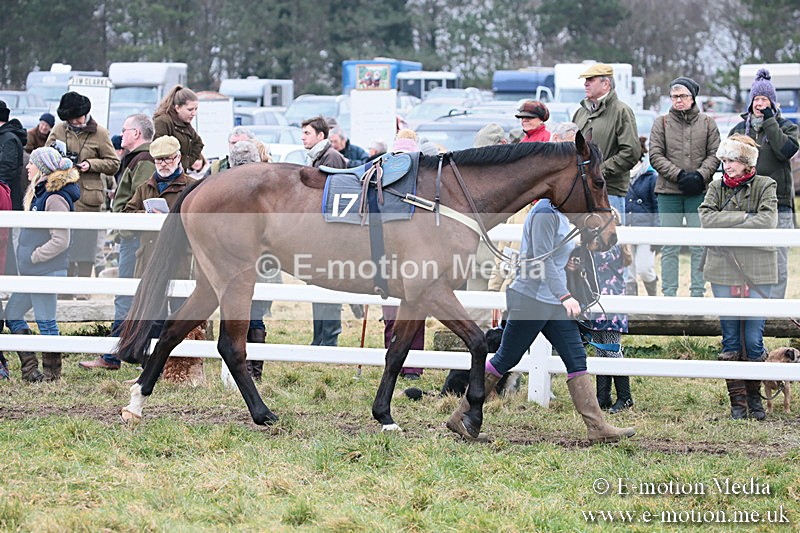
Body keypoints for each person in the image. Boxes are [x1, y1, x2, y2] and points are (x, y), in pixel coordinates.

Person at [448, 197, 635, 443]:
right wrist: (565, 295)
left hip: (552, 302)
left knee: (576, 358)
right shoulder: (544, 213)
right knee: (506, 358)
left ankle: (597, 427)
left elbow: (555, 256)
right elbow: (541, 261)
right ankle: (461, 415)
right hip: (531, 299)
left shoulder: (561, 214)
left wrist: (572, 260)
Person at [699, 134, 777, 421]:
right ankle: (738, 404)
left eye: (732, 160)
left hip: (758, 268)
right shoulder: (715, 186)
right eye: (724, 159)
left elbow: (768, 221)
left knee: (754, 338)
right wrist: (744, 216)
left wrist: (727, 223)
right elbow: (706, 219)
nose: (727, 165)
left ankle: (756, 400)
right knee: (730, 337)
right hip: (723, 266)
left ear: (746, 163)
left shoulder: (766, 185)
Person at [79, 113, 155, 370]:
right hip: (133, 234)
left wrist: (127, 230)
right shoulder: (138, 159)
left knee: (125, 295)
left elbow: (140, 196)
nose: (121, 134)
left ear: (136, 133)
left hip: (135, 237)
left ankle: (115, 355)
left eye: (124, 130)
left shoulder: (143, 160)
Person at [6, 147, 80, 381]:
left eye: (32, 163)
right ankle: (30, 368)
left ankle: (52, 373)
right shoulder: (39, 193)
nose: (27, 166)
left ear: (42, 168)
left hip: (46, 270)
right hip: (34, 271)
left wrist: (34, 256)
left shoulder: (54, 197)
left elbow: (61, 239)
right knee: (13, 313)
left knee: (46, 322)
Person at [728, 68, 799, 300]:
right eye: (756, 99)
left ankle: (774, 309)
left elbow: (784, 151)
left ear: (773, 102)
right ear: (750, 102)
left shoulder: (787, 127)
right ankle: (752, 307)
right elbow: (727, 163)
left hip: (779, 203)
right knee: (748, 258)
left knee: (778, 259)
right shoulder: (739, 130)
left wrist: (770, 121)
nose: (759, 104)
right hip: (746, 203)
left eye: (764, 99)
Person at [649, 76, 720, 297]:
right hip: (668, 192)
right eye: (674, 96)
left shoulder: (708, 123)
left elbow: (715, 154)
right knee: (669, 245)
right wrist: (678, 175)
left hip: (699, 192)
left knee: (699, 244)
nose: (678, 100)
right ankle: (669, 294)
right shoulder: (661, 123)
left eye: (682, 96)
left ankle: (697, 293)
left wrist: (700, 176)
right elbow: (655, 155)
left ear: (692, 97)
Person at [46, 91, 120, 294]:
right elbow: (45, 155)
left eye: (77, 117)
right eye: (70, 119)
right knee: (65, 245)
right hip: (63, 196)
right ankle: (65, 291)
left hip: (89, 199)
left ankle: (84, 291)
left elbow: (114, 163)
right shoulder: (58, 130)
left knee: (86, 248)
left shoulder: (101, 133)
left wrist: (91, 164)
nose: (74, 122)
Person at [572, 234, 634, 413]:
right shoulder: (593, 248)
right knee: (600, 350)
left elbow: (598, 256)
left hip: (610, 303)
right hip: (595, 303)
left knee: (612, 350)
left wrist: (579, 248)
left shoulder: (612, 247)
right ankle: (603, 395)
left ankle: (625, 396)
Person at [572, 63, 640, 224]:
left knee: (609, 238)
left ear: (606, 84)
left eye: (591, 80)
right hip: (581, 192)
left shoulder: (621, 111)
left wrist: (597, 171)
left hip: (609, 191)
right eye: (585, 80)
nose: (585, 84)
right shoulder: (580, 112)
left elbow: (630, 153)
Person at [301, 116, 346, 346]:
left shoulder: (331, 157)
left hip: (331, 232)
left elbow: (333, 195)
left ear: (320, 135)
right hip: (319, 231)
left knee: (330, 284)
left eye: (307, 133)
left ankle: (329, 339)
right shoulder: (317, 156)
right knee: (317, 283)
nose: (302, 137)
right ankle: (318, 338)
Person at [624, 136, 659, 296]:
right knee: (628, 273)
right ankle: (632, 305)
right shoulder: (620, 176)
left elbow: (657, 207)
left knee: (644, 268)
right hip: (626, 229)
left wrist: (657, 234)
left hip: (646, 229)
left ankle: (653, 298)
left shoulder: (651, 177)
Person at [152, 85, 204, 170]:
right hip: (165, 173)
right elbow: (159, 150)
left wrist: (185, 163)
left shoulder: (184, 122)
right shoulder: (163, 121)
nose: (194, 113)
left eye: (196, 109)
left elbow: (198, 143)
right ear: (177, 108)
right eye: (190, 109)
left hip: (179, 172)